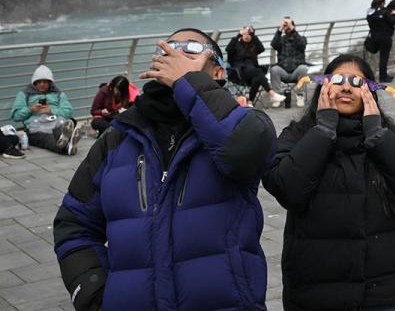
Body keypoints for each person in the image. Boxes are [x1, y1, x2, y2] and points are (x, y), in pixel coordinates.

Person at [53, 28, 277, 310]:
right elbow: (73, 224)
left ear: (219, 73)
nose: (176, 52)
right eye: (167, 48)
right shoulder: (118, 136)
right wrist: (93, 291)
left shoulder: (246, 123)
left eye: (192, 49)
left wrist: (187, 82)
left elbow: (244, 150)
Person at [262, 54, 395, 310]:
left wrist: (378, 135)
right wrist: (323, 131)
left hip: (383, 293)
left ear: (371, 92)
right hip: (315, 292)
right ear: (323, 86)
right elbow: (286, 189)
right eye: (338, 79)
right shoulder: (297, 135)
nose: (347, 87)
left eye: (357, 82)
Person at [10, 64, 79, 155]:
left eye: (45, 82)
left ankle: (66, 140)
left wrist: (51, 110)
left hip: (56, 123)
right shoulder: (24, 94)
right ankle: (67, 146)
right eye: (39, 82)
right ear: (34, 82)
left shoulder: (58, 93)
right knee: (49, 140)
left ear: (50, 82)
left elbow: (68, 111)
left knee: (60, 130)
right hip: (36, 129)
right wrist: (30, 110)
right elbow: (15, 116)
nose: (42, 84)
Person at [227, 25, 285, 107]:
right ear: (242, 35)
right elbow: (228, 49)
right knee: (258, 72)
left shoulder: (254, 45)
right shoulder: (236, 45)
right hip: (239, 72)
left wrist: (253, 35)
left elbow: (262, 49)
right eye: (245, 34)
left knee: (257, 78)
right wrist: (238, 35)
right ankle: (271, 93)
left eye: (249, 34)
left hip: (252, 73)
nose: (247, 36)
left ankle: (250, 102)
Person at [270, 16, 309, 106]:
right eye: (285, 26)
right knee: (274, 69)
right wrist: (280, 30)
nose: (287, 28)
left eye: (289, 26)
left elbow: (302, 45)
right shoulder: (281, 39)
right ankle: (277, 96)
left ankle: (300, 96)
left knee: (303, 68)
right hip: (283, 71)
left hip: (296, 72)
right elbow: (274, 45)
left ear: (293, 27)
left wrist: (292, 29)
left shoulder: (301, 38)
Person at [366, 0, 395, 83]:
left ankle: (371, 75)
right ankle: (383, 76)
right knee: (384, 57)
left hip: (374, 37)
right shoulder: (385, 11)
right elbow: (393, 21)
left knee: (373, 57)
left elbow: (369, 21)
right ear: (382, 3)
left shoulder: (370, 12)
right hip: (385, 37)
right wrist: (394, 15)